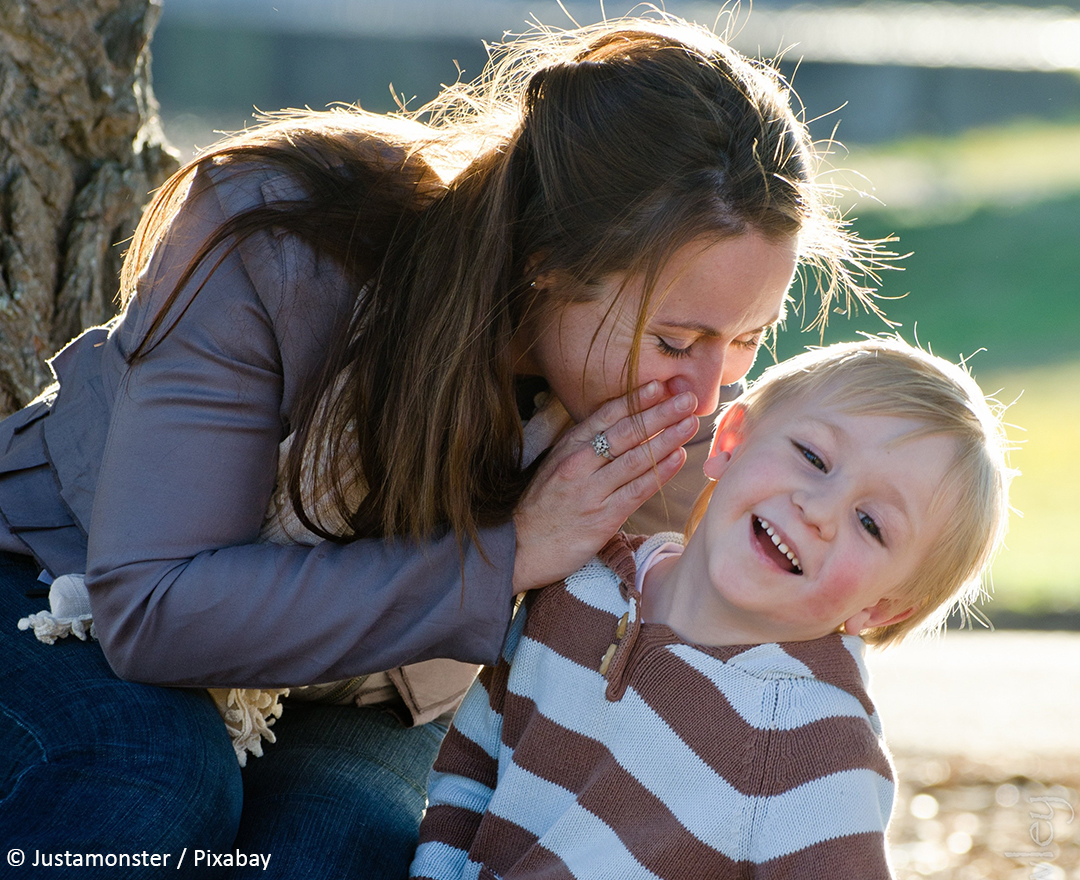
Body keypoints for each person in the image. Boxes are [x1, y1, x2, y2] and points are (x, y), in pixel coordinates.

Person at [0, 15, 878, 879]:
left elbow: (776, 584)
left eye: (748, 337)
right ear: (547, 265)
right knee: (149, 781)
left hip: (376, 691)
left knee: (328, 853)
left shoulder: (673, 413)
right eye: (677, 341)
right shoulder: (279, 242)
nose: (706, 391)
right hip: (61, 586)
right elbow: (151, 606)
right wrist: (512, 554)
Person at [409, 337, 1013, 880]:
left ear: (881, 608)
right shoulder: (582, 583)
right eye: (813, 457)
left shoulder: (812, 752)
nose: (820, 510)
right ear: (730, 442)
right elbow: (474, 764)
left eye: (870, 523)